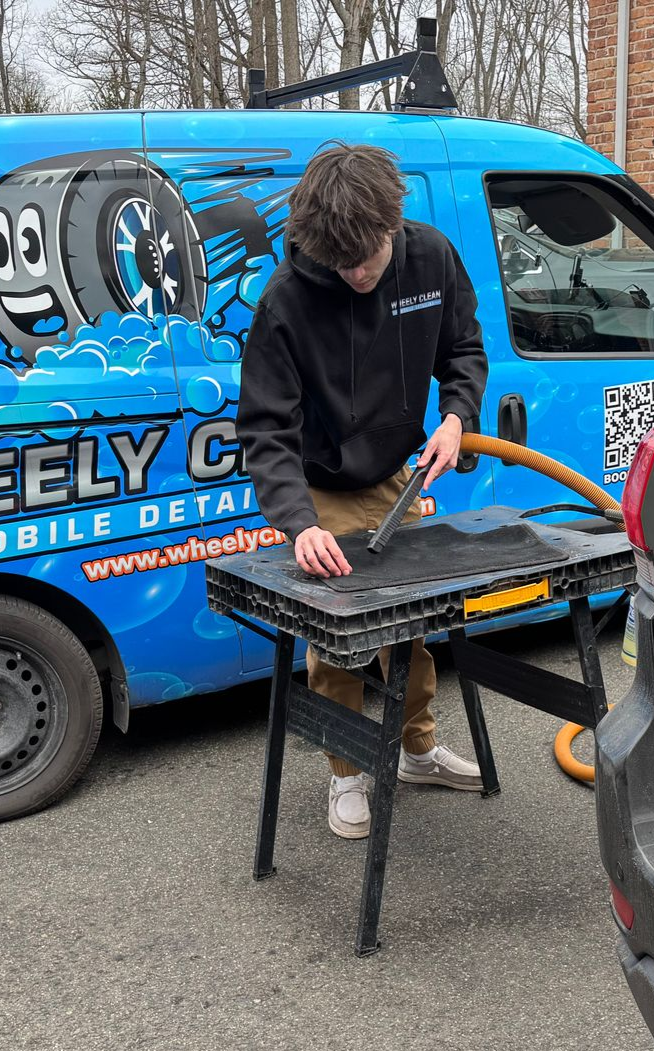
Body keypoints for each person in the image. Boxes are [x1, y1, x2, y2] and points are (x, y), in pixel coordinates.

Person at [236, 141, 489, 840]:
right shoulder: (286, 301)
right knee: (342, 640)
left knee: (410, 625)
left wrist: (457, 417)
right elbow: (265, 427)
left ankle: (415, 750)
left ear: (392, 224)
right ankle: (347, 775)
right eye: (339, 263)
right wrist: (298, 521)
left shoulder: (430, 257)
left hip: (394, 476)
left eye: (366, 259)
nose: (354, 273)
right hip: (322, 487)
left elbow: (464, 349)